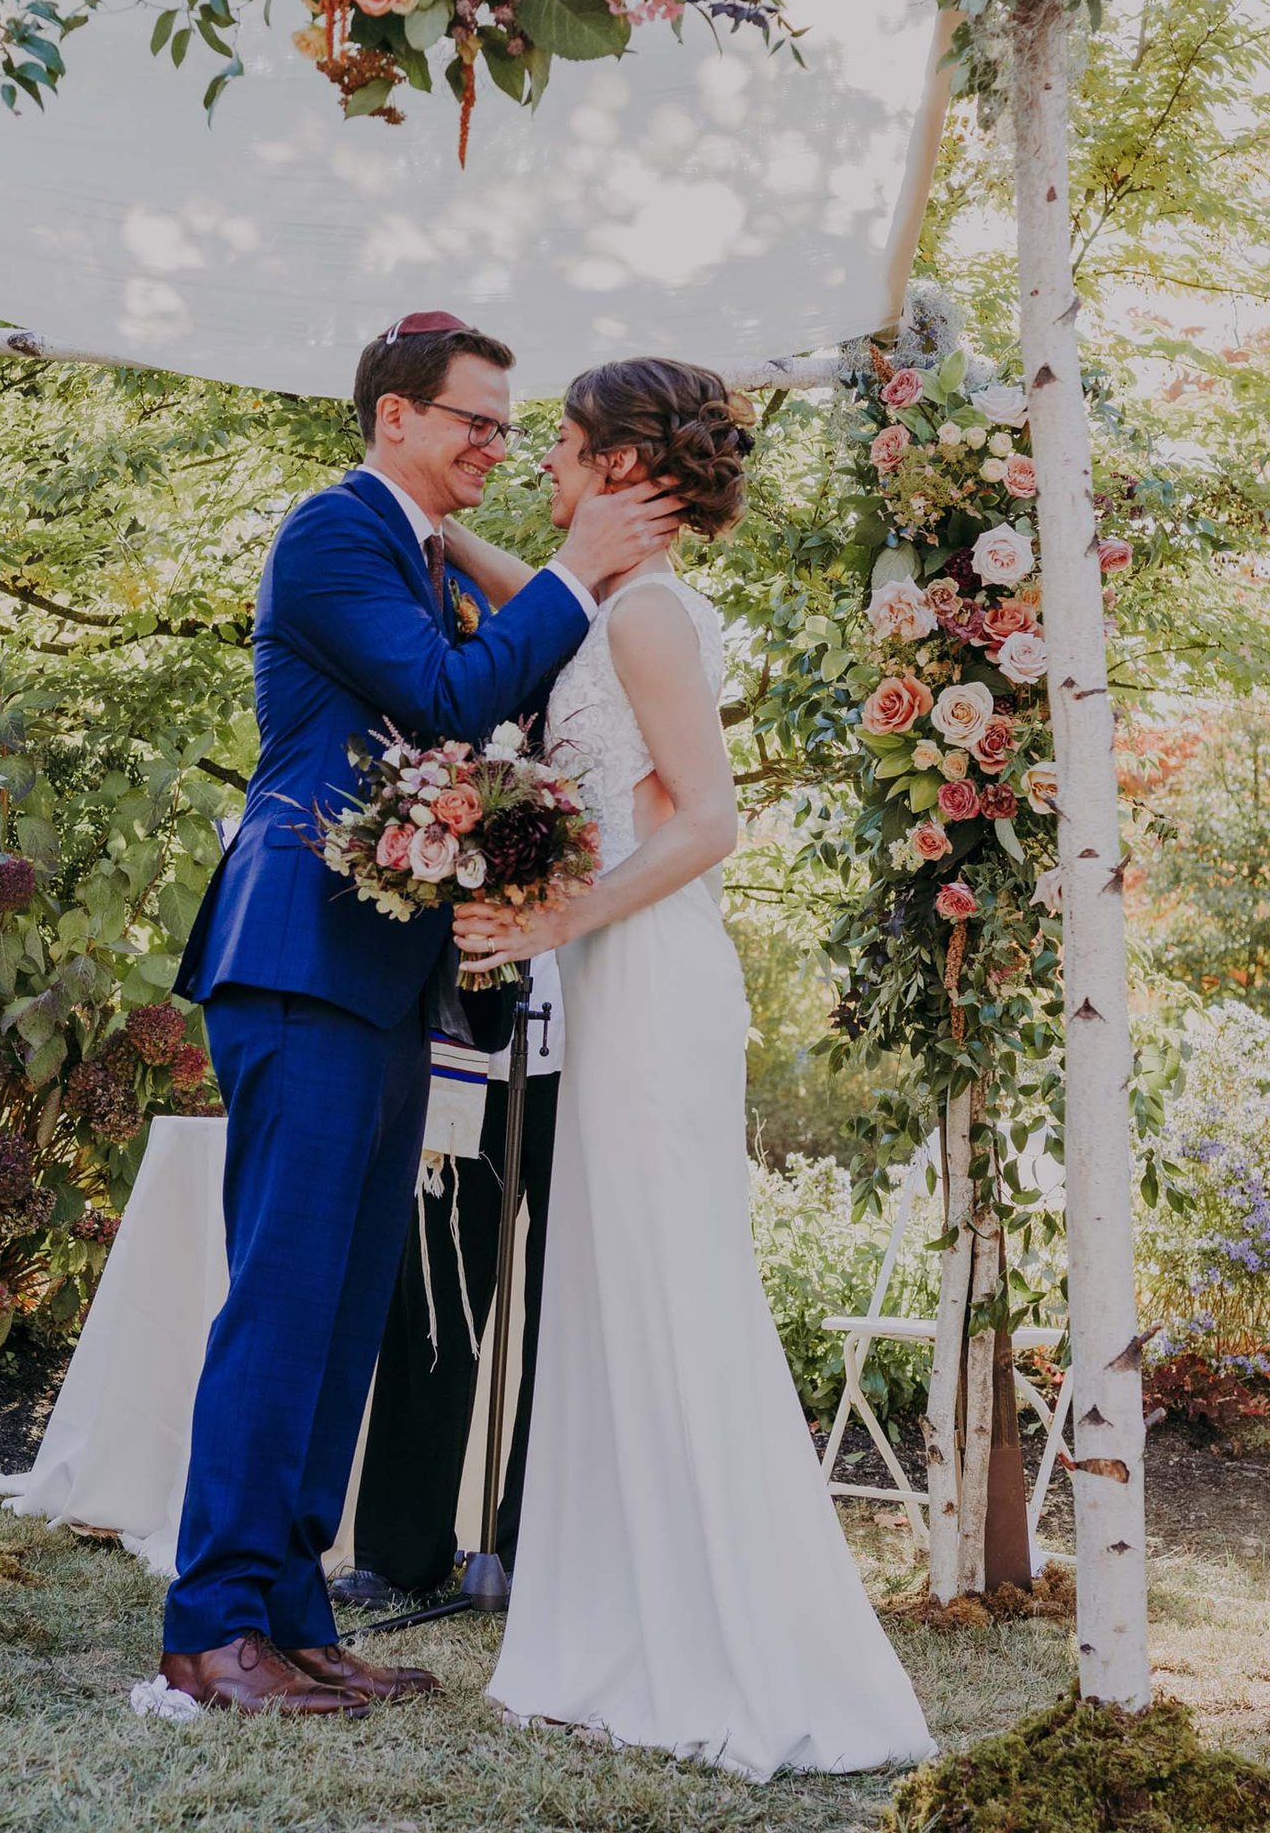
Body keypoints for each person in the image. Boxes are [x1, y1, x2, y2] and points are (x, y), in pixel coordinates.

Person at [155, 313, 682, 1719]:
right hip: (299, 959)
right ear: (396, 416)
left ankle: (293, 1611)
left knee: (344, 1315)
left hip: (385, 976)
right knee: (283, 1302)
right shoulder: (334, 532)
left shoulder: (426, 556)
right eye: (477, 421)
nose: (498, 447)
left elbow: (495, 706)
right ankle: (211, 1630)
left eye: (512, 427)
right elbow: (447, 695)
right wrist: (574, 565)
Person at [452, 357, 934, 1779]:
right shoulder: (612, 603)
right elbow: (541, 604)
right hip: (618, 981)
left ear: (618, 463)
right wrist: (434, 533)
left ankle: (724, 1642)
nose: (543, 459)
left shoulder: (652, 615)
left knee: (669, 1290)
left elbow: (709, 822)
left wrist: (557, 919)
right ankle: (627, 1624)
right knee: (613, 1293)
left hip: (654, 981)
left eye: (562, 439)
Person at [334, 948, 565, 1610]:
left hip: (591, 1056)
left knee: (568, 1311)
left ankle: (537, 1546)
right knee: (434, 1302)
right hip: (465, 1045)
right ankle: (400, 1553)